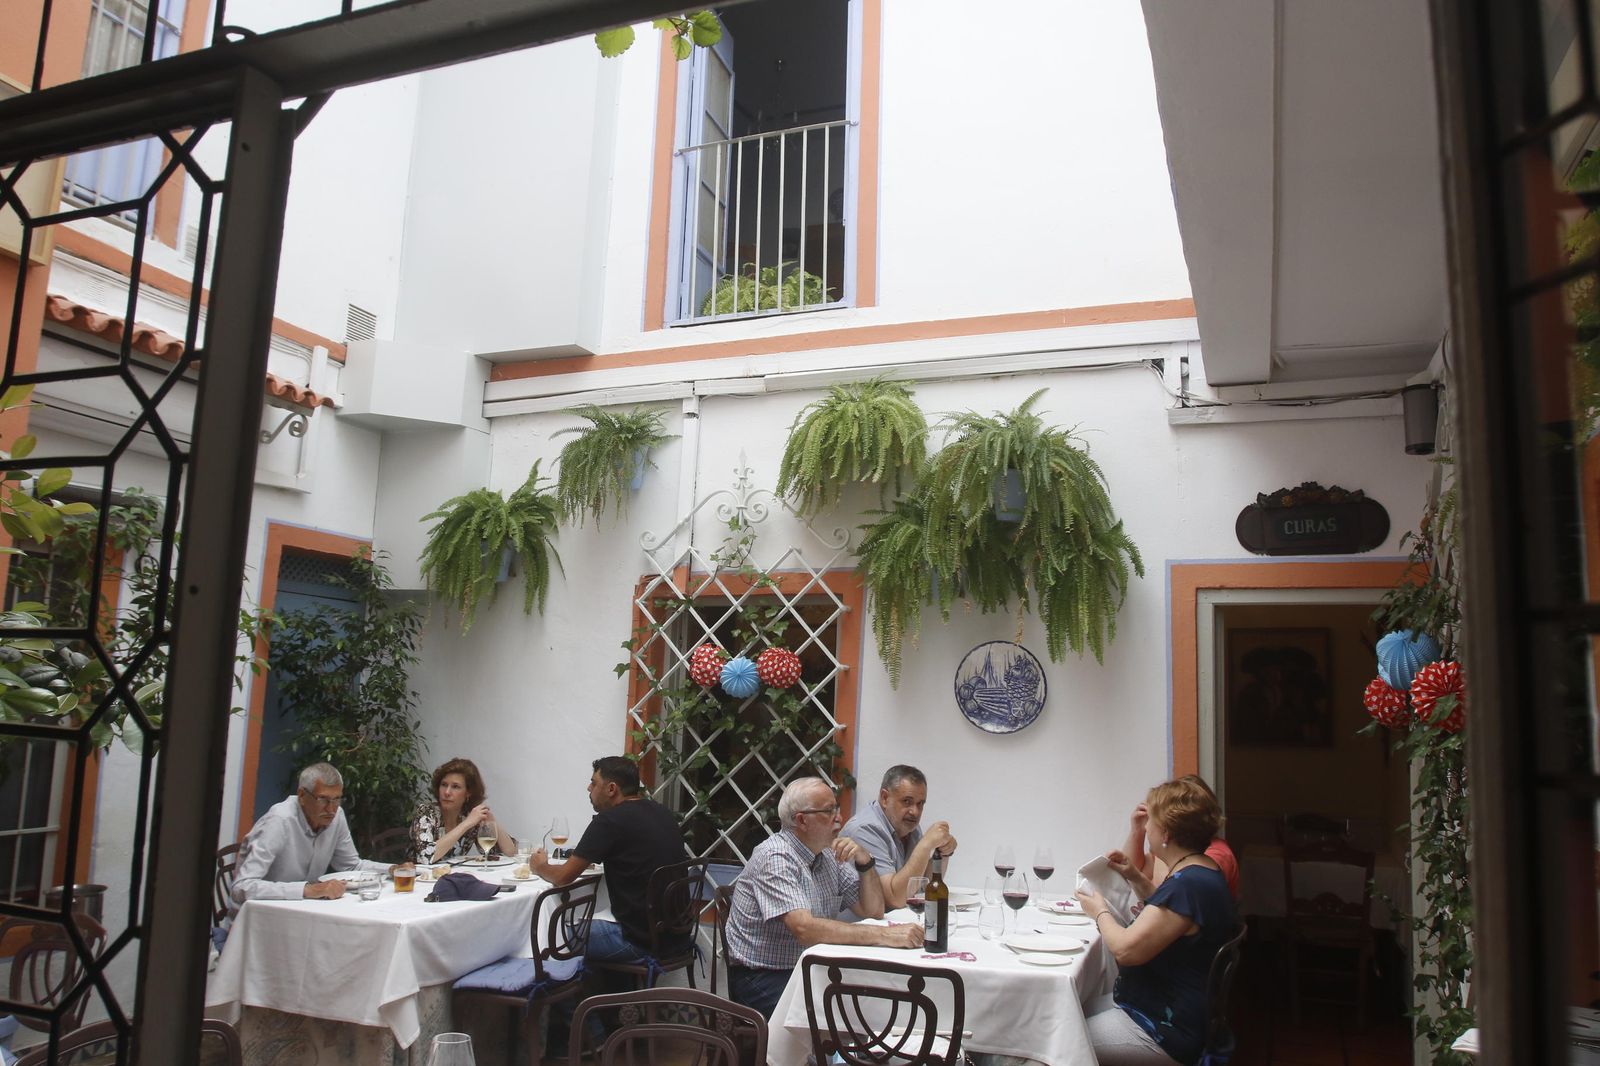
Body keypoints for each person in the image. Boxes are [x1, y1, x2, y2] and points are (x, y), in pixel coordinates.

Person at [724, 777, 923, 1018]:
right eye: (829, 811)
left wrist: (864, 861)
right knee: (849, 1014)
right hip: (763, 978)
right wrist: (886, 935)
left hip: (810, 969)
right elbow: (804, 929)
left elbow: (873, 910)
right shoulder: (776, 856)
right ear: (801, 820)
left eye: (836, 808)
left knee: (875, 999)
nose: (839, 818)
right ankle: (824, 1057)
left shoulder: (827, 854)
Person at [1078, 778, 1238, 1065]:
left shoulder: (1187, 885)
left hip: (1166, 1027)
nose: (1146, 827)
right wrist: (1135, 876)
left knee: (1058, 1038)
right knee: (1067, 1009)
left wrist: (1099, 911)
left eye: (1149, 820)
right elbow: (1173, 916)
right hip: (1172, 1007)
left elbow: (1126, 950)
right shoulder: (1202, 870)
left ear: (1165, 832)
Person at [530, 756, 689, 973]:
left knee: (550, 932)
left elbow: (562, 878)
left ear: (611, 788)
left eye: (594, 783)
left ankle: (566, 1005)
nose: (589, 788)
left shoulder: (610, 821)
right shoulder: (662, 813)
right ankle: (609, 1001)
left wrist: (540, 866)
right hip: (676, 934)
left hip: (639, 942)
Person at [230, 763, 392, 910]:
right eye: (323, 799)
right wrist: (307, 890)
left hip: (307, 911)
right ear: (301, 795)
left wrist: (392, 869)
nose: (331, 809)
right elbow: (242, 887)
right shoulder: (279, 821)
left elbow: (351, 867)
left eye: (337, 799)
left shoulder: (337, 816)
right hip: (262, 918)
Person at [838, 764, 958, 908]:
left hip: (894, 924)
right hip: (860, 927)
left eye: (920, 804)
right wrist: (926, 845)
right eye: (907, 801)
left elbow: (922, 887)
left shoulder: (909, 827)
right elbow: (895, 898)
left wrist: (943, 852)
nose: (915, 811)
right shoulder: (864, 829)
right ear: (884, 798)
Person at [1118, 773, 1239, 899]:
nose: (1147, 826)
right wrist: (1137, 830)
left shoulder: (1214, 856)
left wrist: (1101, 911)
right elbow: (1132, 869)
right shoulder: (1178, 853)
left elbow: (1168, 899)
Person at [410, 757, 516, 864]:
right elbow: (425, 856)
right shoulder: (426, 812)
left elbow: (510, 854)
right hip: (418, 878)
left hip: (453, 877)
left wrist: (492, 822)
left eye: (455, 786)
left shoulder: (468, 815)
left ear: (468, 792)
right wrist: (467, 823)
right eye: (444, 785)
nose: (447, 792)